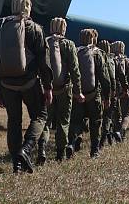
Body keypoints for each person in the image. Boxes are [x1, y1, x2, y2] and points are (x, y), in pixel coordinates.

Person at [0, 0, 53, 174]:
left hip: (6, 83)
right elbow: (43, 62)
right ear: (28, 8)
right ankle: (26, 150)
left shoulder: (0, 27)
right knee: (40, 115)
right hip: (29, 82)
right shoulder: (34, 28)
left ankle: (16, 164)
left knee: (14, 121)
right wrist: (47, 87)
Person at [37, 17, 83, 164]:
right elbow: (75, 70)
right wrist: (78, 91)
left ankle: (41, 149)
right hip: (65, 89)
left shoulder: (44, 42)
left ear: (51, 27)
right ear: (64, 28)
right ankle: (60, 154)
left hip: (46, 88)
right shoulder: (69, 44)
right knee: (63, 122)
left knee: (44, 121)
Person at [67, 28, 110, 158]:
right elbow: (104, 77)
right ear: (93, 38)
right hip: (93, 94)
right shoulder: (98, 54)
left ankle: (71, 143)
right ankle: (94, 151)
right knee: (95, 122)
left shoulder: (75, 50)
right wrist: (107, 96)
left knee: (75, 121)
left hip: (77, 93)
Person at [111, 41, 129, 142]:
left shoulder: (109, 59)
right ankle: (122, 131)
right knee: (126, 114)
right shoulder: (128, 61)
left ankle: (113, 133)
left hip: (112, 91)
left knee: (114, 114)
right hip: (125, 91)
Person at [97, 39, 116, 148]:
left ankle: (107, 137)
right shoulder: (110, 60)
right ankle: (103, 139)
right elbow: (111, 78)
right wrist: (112, 92)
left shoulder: (95, 56)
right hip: (107, 91)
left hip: (97, 91)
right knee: (107, 116)